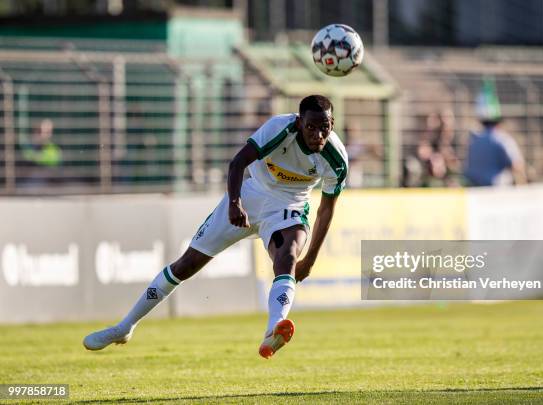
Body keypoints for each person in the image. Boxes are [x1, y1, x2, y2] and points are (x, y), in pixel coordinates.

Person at [83, 95, 348, 359]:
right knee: (186, 265)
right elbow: (237, 163)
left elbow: (326, 209)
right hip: (250, 194)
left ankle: (273, 329)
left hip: (288, 206)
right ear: (300, 123)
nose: (318, 135)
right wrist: (234, 203)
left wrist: (310, 260)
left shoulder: (336, 158)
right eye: (311, 127)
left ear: (332, 124)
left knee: (287, 256)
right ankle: (124, 327)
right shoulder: (280, 128)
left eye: (324, 127)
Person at [464, 79, 526, 187]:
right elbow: (517, 165)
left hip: (474, 188)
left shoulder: (474, 141)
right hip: (497, 190)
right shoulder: (502, 139)